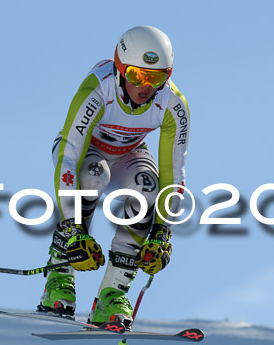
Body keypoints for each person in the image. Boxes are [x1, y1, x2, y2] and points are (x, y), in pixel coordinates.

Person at [38, 25, 190, 329]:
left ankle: (113, 292)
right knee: (94, 174)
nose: (145, 87)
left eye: (156, 78)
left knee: (147, 188)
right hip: (84, 152)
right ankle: (60, 276)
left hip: (129, 154)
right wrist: (73, 230)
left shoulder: (174, 105)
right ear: (121, 70)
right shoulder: (98, 89)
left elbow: (173, 173)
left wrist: (162, 234)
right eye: (137, 76)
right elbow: (69, 155)